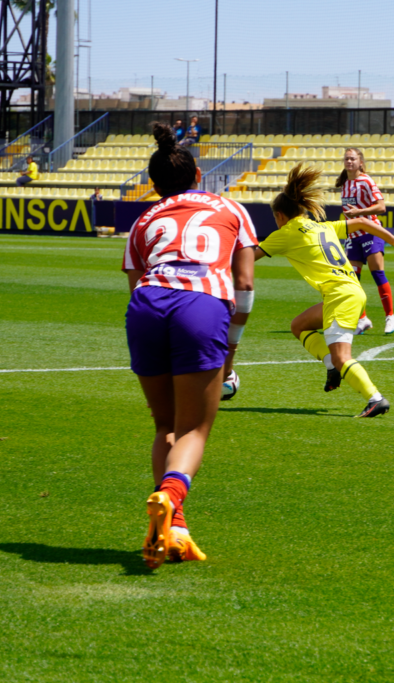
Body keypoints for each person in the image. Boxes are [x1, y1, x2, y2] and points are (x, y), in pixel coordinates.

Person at [122, 123, 258, 569]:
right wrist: (231, 347)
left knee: (166, 426)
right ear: (199, 173)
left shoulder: (143, 219)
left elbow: (133, 282)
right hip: (200, 303)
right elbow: (244, 282)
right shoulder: (229, 207)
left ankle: (175, 525)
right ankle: (170, 494)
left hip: (146, 304)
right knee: (195, 429)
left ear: (154, 183)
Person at [255, 163, 394, 417]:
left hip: (341, 296)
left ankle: (375, 398)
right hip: (351, 291)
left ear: (280, 216)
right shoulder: (322, 226)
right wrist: (393, 239)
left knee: (342, 357)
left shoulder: (285, 234)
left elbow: (249, 257)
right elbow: (362, 221)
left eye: (275, 217)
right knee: (299, 326)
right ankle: (331, 366)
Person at [336, 148, 394, 335]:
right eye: (347, 159)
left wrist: (359, 213)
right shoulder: (345, 183)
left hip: (371, 232)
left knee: (377, 273)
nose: (349, 162)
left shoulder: (366, 181)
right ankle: (362, 319)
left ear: (360, 162)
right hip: (353, 236)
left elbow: (381, 207)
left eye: (353, 159)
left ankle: (390, 316)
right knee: (352, 280)